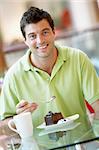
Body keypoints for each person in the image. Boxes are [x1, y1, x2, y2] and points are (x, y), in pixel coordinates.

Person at [0, 6, 99, 145]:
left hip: (81, 145)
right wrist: (18, 120)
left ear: (54, 33)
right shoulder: (13, 76)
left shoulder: (78, 59)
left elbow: (98, 106)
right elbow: (3, 128)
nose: (40, 40)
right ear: (25, 41)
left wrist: (94, 142)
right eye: (32, 36)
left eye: (45, 32)